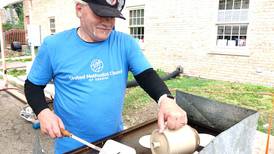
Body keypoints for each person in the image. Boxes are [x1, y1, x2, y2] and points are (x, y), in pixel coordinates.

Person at [24, 0, 187, 153]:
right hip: (71, 144)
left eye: (112, 16)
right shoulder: (54, 46)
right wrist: (43, 112)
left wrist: (166, 100)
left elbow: (146, 75)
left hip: (114, 141)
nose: (108, 22)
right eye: (100, 14)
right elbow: (32, 86)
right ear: (79, 9)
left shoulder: (125, 43)